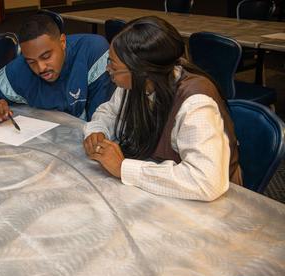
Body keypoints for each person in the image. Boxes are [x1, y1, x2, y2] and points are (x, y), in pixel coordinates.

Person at [83, 16, 242, 201]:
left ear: (142, 72)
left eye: (114, 66)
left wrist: (123, 168)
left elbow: (206, 181)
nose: (107, 69)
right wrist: (97, 131)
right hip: (161, 190)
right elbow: (109, 112)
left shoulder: (196, 103)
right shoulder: (137, 83)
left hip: (210, 204)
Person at [0, 14, 114, 122]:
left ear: (62, 42)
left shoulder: (93, 53)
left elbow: (103, 120)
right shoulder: (20, 68)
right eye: (31, 61)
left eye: (46, 56)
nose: (41, 68)